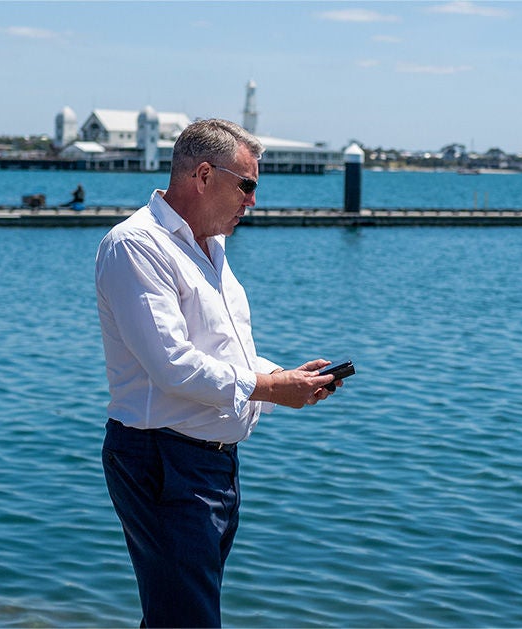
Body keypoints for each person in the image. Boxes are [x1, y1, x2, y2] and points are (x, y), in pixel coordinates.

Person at [95, 118, 341, 629]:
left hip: (208, 464)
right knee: (187, 620)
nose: (252, 200)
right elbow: (173, 366)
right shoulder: (137, 244)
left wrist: (285, 378)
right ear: (204, 176)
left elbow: (221, 352)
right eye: (247, 185)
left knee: (178, 615)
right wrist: (272, 387)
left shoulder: (211, 247)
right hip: (162, 458)